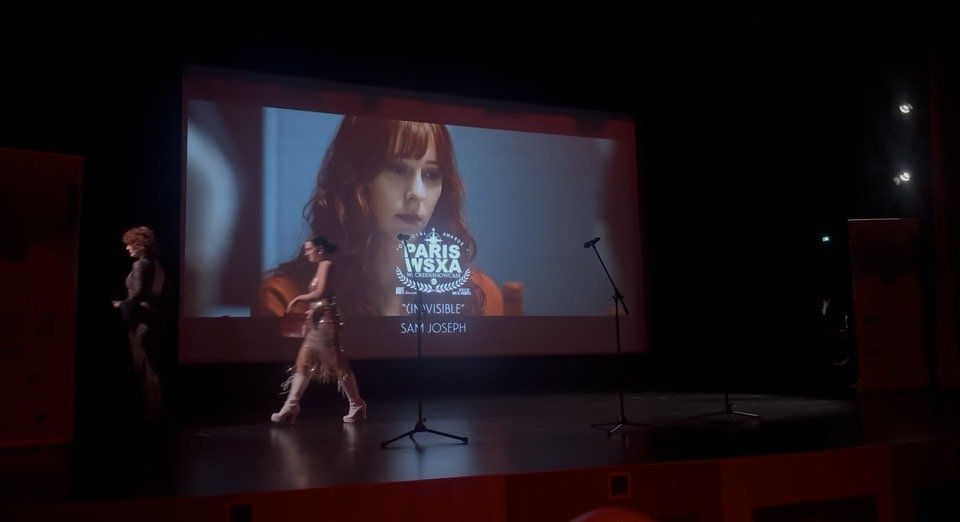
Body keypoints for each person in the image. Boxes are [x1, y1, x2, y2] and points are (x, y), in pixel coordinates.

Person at [254, 116, 503, 318]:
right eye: (397, 168)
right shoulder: (287, 301)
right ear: (356, 177)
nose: (417, 193)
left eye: (431, 175)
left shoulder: (479, 298)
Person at [271, 235, 366, 424]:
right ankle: (291, 405)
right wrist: (311, 310)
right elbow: (323, 296)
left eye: (309, 249)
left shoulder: (326, 264)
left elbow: (321, 292)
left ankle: (356, 404)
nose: (306, 253)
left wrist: (298, 299)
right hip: (318, 321)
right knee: (303, 361)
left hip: (327, 322)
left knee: (336, 362)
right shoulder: (322, 265)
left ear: (320, 249)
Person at [112, 225, 166, 423]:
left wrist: (119, 304)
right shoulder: (155, 265)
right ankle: (154, 413)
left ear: (141, 245)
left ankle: (151, 415)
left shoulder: (140, 265)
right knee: (150, 366)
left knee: (145, 366)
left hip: (142, 319)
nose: (127, 247)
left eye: (130, 244)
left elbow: (138, 294)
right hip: (152, 317)